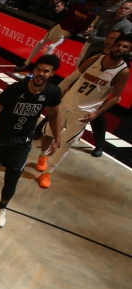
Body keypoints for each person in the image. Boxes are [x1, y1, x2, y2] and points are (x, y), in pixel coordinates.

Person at [0, 55, 63, 228]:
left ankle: (1, 209)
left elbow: (54, 115)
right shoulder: (16, 89)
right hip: (0, 137)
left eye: (46, 71)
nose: (41, 73)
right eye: (38, 69)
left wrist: (57, 138)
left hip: (22, 142)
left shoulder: (52, 92)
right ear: (33, 70)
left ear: (52, 73)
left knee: (12, 180)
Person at [36, 33, 131, 187]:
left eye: (125, 47)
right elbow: (72, 76)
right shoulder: (95, 59)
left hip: (83, 113)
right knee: (48, 133)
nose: (120, 48)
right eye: (118, 45)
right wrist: (56, 93)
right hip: (66, 103)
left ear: (128, 51)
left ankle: (48, 173)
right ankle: (42, 155)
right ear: (113, 46)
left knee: (66, 143)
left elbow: (115, 98)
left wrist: (96, 113)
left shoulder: (123, 71)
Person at [14, 2, 98, 72]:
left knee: (51, 46)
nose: (92, 7)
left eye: (94, 6)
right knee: (40, 42)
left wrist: (78, 32)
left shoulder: (92, 15)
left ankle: (43, 69)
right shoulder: (77, 6)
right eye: (91, 5)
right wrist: (55, 24)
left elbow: (86, 27)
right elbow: (65, 15)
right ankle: (26, 64)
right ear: (88, 2)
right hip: (59, 26)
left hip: (67, 32)